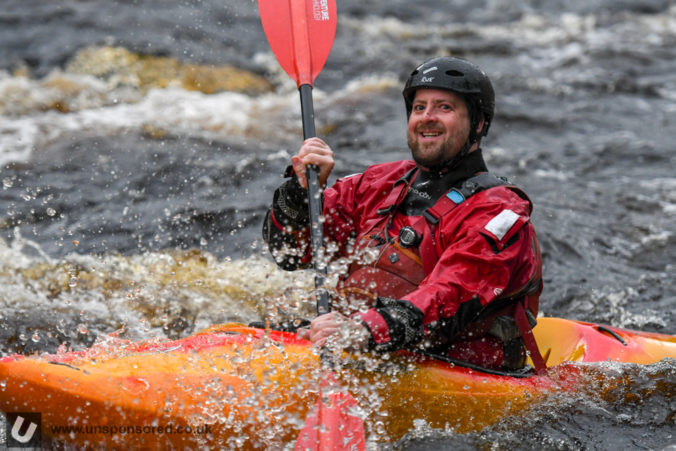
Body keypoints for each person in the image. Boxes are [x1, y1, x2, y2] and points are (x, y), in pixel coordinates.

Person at [262, 56, 544, 371]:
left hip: (457, 368)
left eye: (445, 108)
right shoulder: (378, 183)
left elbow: (448, 298)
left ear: (478, 123)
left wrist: (360, 331)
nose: (427, 118)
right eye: (419, 107)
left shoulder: (499, 212)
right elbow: (289, 253)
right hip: (361, 347)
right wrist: (299, 193)